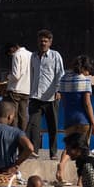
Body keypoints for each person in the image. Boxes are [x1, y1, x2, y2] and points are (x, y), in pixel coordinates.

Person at [55, 55, 94, 182]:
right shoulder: (85, 81)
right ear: (84, 68)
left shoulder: (63, 79)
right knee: (83, 151)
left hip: (69, 119)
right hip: (83, 120)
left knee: (69, 146)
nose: (88, 72)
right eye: (88, 69)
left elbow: (62, 99)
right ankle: (80, 180)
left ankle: (62, 165)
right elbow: (87, 103)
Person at [28, 29, 64, 160]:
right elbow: (30, 75)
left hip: (51, 97)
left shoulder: (55, 56)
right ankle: (34, 151)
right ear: (38, 42)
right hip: (35, 97)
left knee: (52, 126)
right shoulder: (33, 56)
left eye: (45, 41)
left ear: (50, 42)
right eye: (41, 41)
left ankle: (53, 153)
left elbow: (60, 74)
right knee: (34, 126)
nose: (43, 43)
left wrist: (58, 90)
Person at [4, 40, 32, 130]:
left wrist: (8, 76)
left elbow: (16, 75)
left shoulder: (17, 55)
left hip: (15, 90)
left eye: (10, 53)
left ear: (13, 48)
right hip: (27, 90)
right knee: (23, 116)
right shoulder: (31, 55)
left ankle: (14, 137)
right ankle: (23, 136)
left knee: (13, 116)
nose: (11, 55)